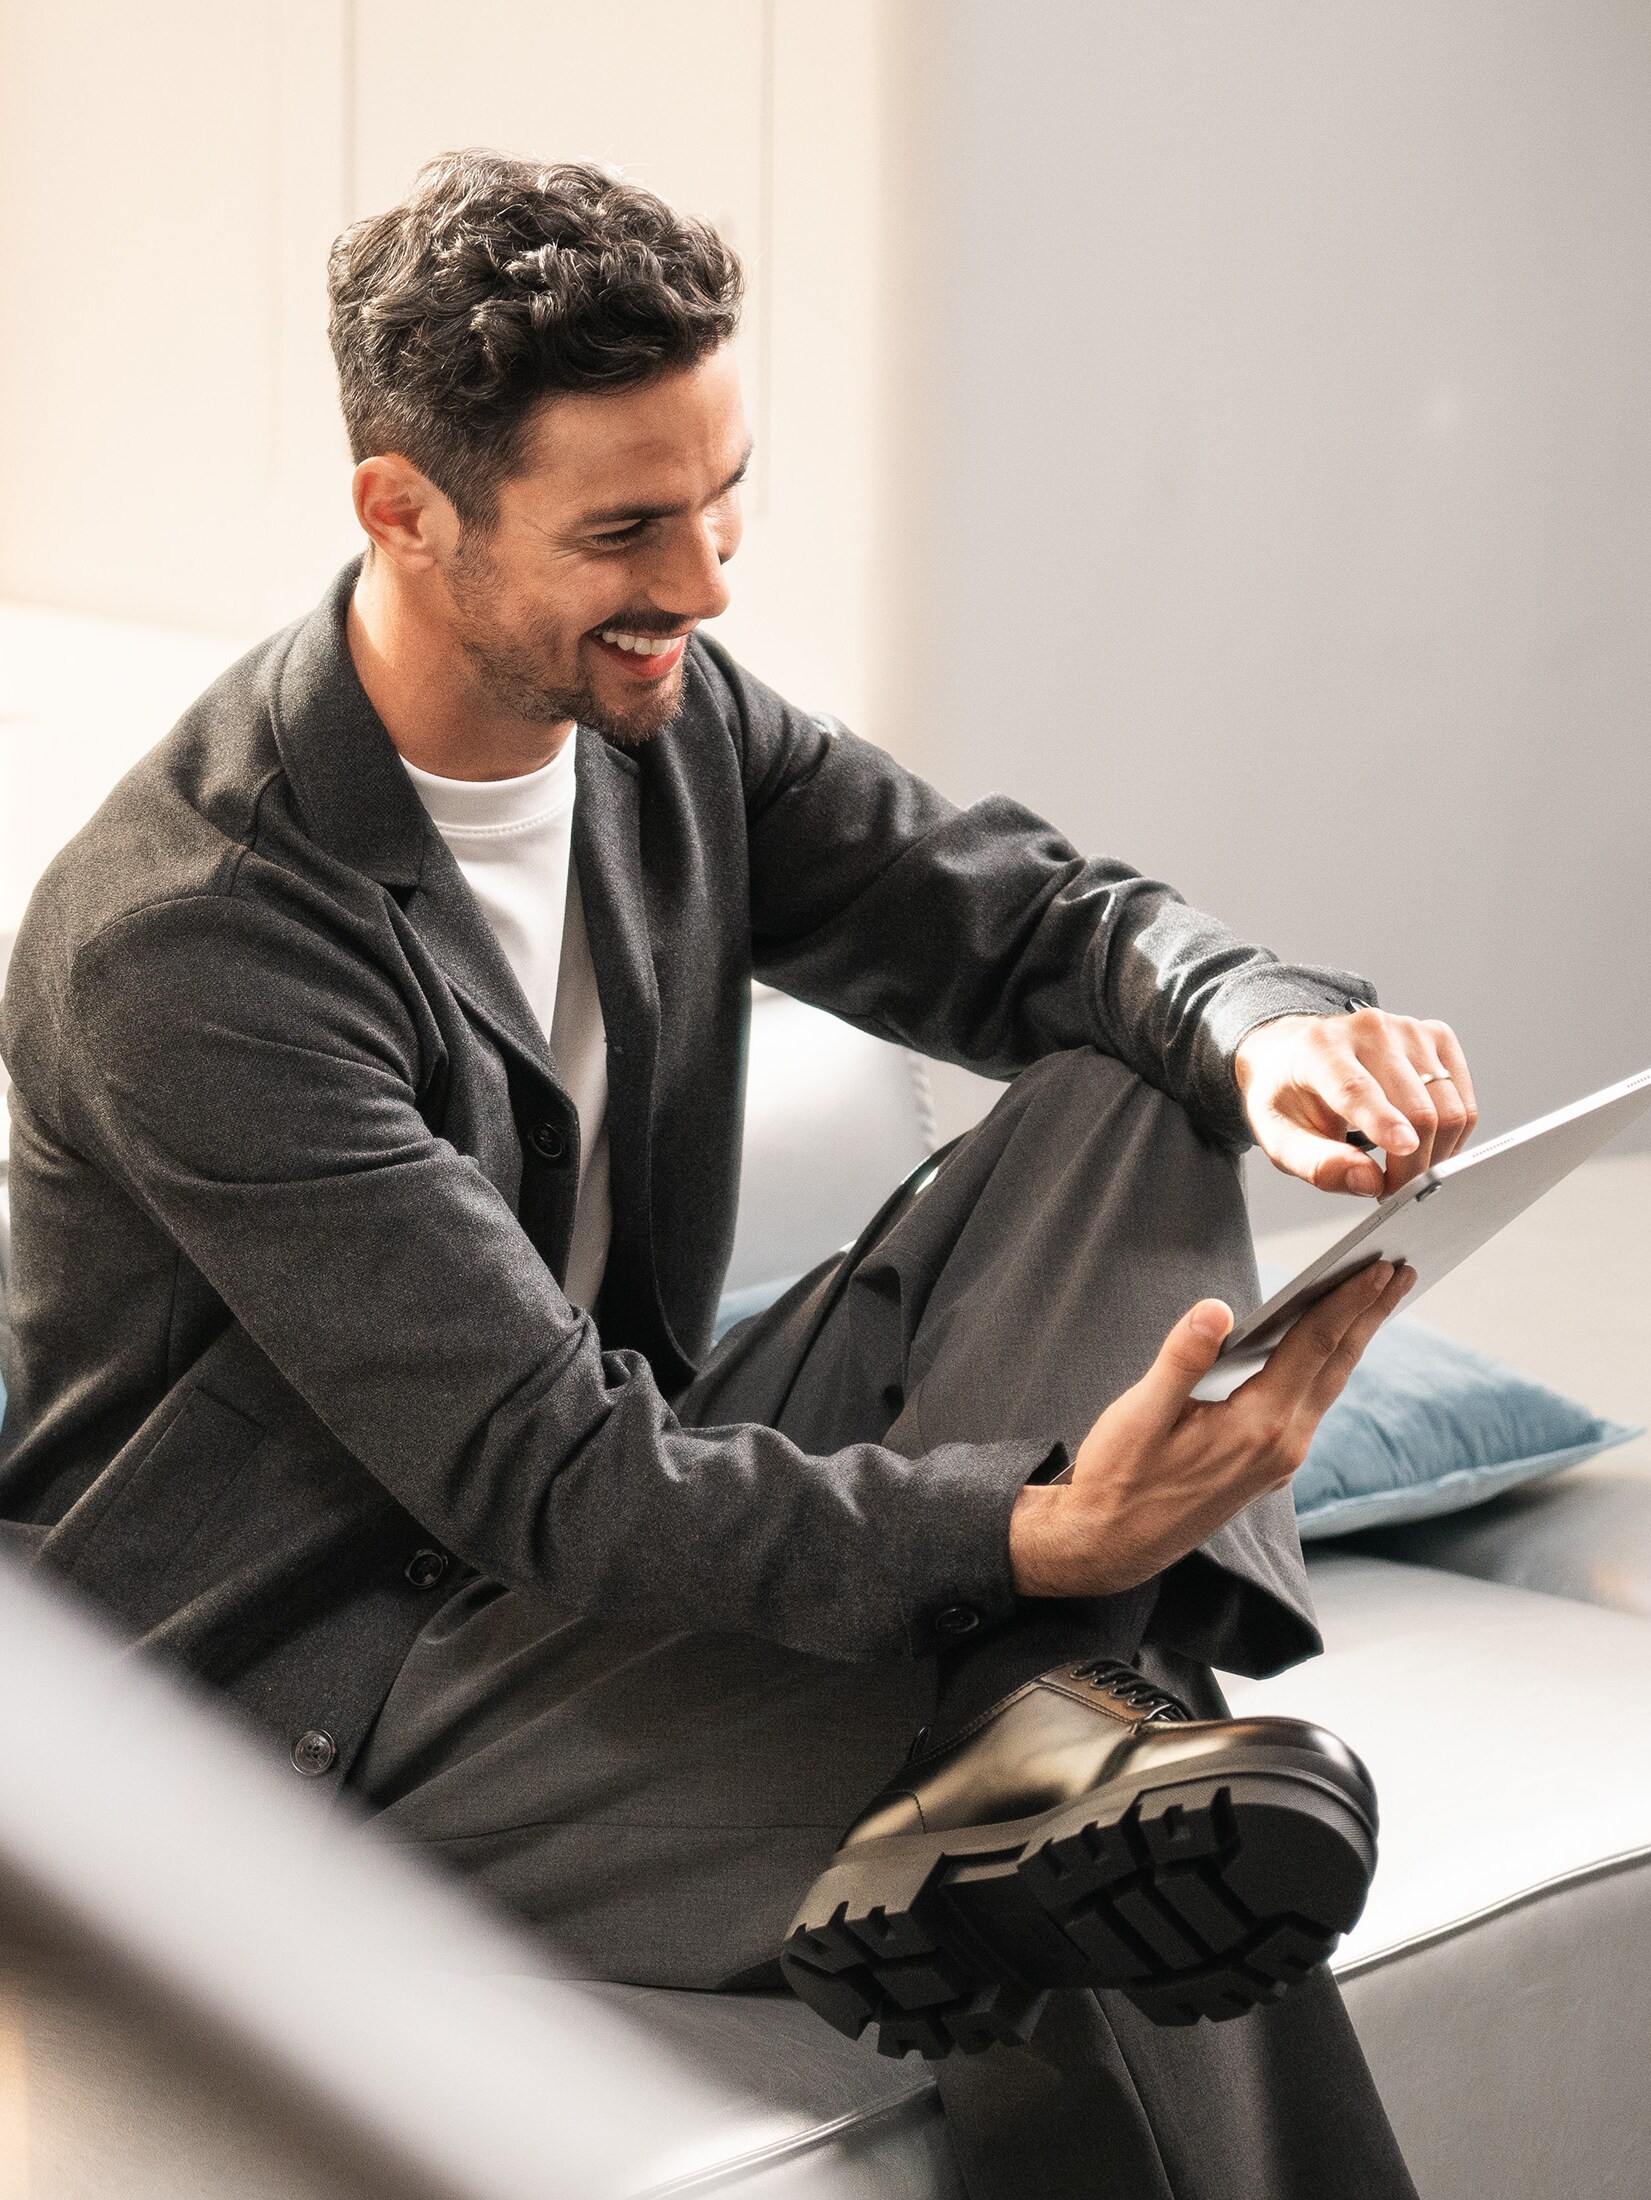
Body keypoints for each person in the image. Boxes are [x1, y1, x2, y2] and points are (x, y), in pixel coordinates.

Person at [0, 152, 1478, 2198]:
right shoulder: (197, 939)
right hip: (299, 1710)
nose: (700, 582)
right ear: (401, 510)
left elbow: (1025, 921)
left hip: (577, 1550)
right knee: (1113, 1863)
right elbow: (549, 1473)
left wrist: (1258, 1023)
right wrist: (1042, 1530)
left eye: (722, 497)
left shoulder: (654, 716)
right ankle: (1044, 1741)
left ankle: (1040, 1729)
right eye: (622, 527)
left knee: (1135, 1093)